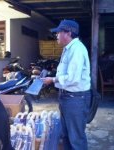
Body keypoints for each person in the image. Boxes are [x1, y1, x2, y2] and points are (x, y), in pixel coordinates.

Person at [42, 19, 91, 150]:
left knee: (76, 138)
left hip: (75, 99)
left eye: (58, 32)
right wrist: (53, 78)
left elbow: (73, 79)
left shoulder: (77, 50)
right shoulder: (68, 49)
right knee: (67, 135)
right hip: (68, 98)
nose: (56, 35)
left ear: (68, 33)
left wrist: (52, 80)